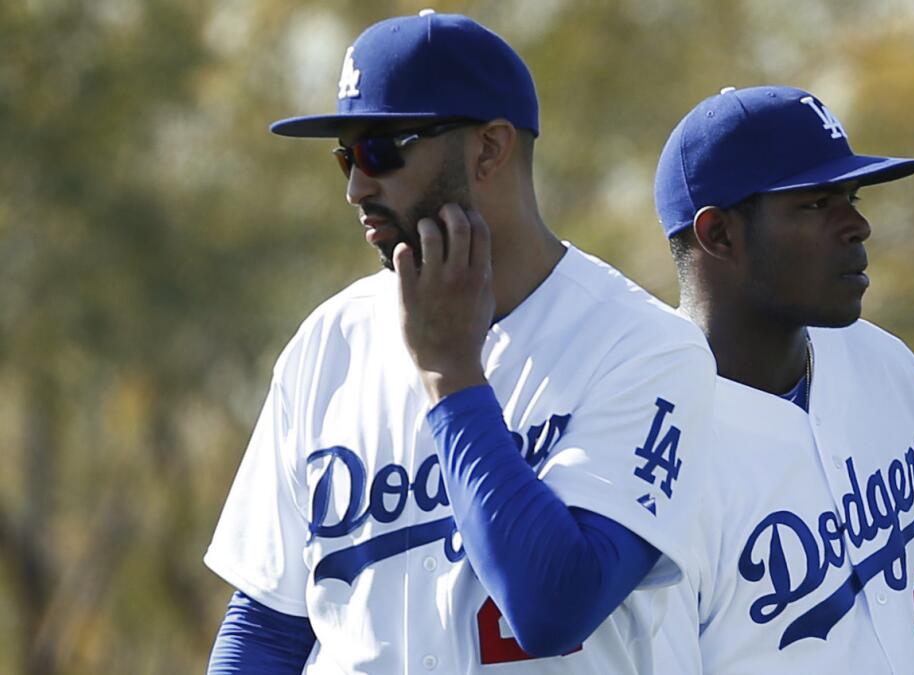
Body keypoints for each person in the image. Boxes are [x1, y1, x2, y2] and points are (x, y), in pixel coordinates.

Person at [204, 11, 716, 674]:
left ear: (489, 149)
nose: (358, 186)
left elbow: (554, 605)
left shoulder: (644, 348)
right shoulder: (328, 342)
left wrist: (451, 374)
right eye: (344, 157)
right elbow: (268, 626)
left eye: (380, 150)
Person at [651, 85, 914, 673]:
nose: (858, 225)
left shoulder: (883, 363)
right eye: (817, 204)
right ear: (718, 234)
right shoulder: (647, 443)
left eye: (851, 195)